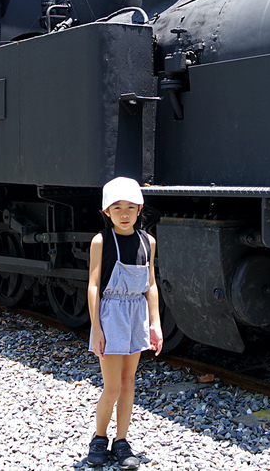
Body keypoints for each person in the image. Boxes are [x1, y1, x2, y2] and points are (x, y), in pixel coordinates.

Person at [86, 177, 162, 469]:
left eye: (131, 207)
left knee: (129, 382)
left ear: (140, 208)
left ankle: (122, 440)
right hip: (111, 314)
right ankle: (99, 437)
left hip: (136, 315)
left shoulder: (148, 241)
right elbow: (93, 285)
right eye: (117, 207)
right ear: (106, 211)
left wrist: (154, 323)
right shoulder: (101, 241)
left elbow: (150, 284)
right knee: (112, 387)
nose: (125, 213)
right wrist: (97, 329)